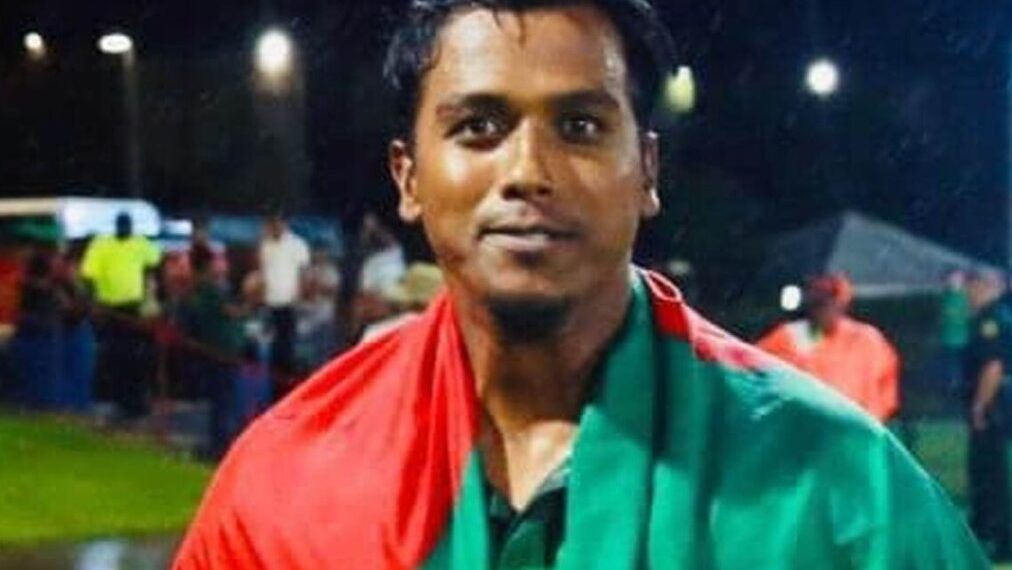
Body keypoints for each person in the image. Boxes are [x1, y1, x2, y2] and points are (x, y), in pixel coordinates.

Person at [174, 1, 986, 568]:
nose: (528, 171)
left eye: (581, 126)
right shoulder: (286, 484)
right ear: (408, 176)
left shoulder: (841, 488)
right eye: (479, 127)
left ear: (647, 172)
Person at [758, 273, 901, 423]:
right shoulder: (789, 336)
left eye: (831, 298)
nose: (826, 308)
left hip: (855, 428)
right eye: (819, 302)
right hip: (806, 426)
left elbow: (886, 391)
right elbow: (758, 372)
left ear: (842, 303)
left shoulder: (867, 339)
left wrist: (872, 420)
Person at [81, 212, 162, 419]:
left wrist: (149, 293)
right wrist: (94, 302)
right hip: (110, 310)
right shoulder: (102, 245)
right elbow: (89, 276)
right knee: (114, 355)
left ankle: (133, 402)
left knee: (133, 356)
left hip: (132, 308)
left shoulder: (139, 243)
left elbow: (155, 262)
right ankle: (115, 400)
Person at [962, 269, 1012, 560]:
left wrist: (980, 405)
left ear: (988, 286)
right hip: (1000, 406)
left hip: (994, 408)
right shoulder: (1003, 314)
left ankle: (997, 539)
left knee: (990, 475)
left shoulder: (990, 319)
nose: (969, 292)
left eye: (973, 285)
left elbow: (993, 365)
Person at [180, 243, 246, 459]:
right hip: (223, 350)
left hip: (213, 350)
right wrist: (248, 305)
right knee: (224, 400)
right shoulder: (211, 289)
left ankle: (219, 444)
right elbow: (231, 312)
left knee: (221, 400)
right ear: (207, 264)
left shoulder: (196, 290)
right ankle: (222, 445)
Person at [257, 212, 310, 394]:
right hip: (270, 304)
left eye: (276, 223)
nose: (272, 227)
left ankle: (287, 391)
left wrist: (299, 298)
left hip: (289, 304)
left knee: (288, 351)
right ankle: (273, 391)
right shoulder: (265, 245)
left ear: (284, 223)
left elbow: (303, 274)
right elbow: (263, 272)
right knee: (272, 352)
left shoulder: (297, 245)